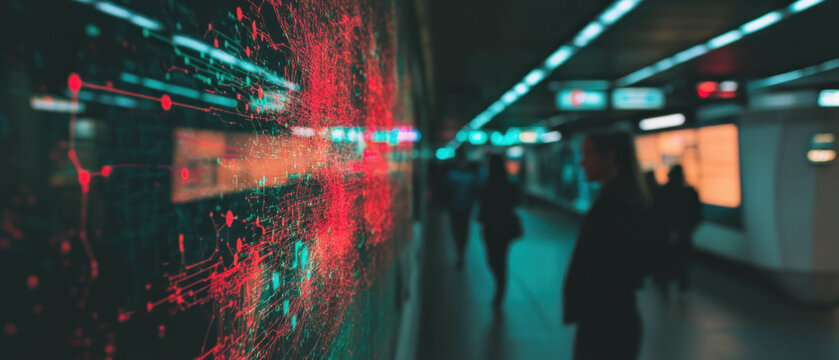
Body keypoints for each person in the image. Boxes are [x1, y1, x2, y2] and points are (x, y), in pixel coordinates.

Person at [562, 132, 649, 360]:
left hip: (606, 322)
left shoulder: (617, 205)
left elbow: (608, 267)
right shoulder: (621, 199)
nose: (582, 162)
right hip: (609, 317)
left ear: (609, 157)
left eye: (587, 154)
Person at [477, 154, 521, 309]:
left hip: (491, 227)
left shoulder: (486, 184)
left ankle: (499, 291)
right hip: (504, 227)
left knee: (493, 259)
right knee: (500, 259)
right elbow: (516, 202)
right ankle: (500, 288)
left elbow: (482, 205)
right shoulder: (510, 184)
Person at [657, 165, 701, 293]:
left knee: (668, 261)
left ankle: (666, 284)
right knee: (682, 262)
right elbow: (697, 214)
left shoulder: (662, 193)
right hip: (683, 234)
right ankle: (681, 284)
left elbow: (657, 215)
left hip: (667, 235)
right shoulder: (689, 192)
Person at [445, 148, 479, 269]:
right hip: (459, 207)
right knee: (459, 230)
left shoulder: (453, 175)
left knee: (460, 230)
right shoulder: (470, 175)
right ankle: (460, 251)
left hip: (462, 208)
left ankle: (460, 251)